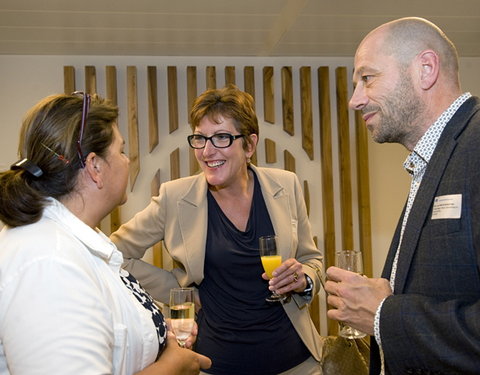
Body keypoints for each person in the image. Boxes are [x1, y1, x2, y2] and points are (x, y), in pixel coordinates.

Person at [111, 84, 324, 375]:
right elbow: (114, 255)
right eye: (200, 138)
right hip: (215, 364)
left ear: (249, 145)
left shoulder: (286, 186)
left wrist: (304, 279)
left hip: (297, 364)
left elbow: (313, 260)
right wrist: (179, 291)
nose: (207, 151)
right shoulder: (175, 197)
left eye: (222, 137)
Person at [0, 92, 211, 374]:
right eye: (121, 151)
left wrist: (157, 333)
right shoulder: (48, 262)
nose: (127, 161)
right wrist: (174, 367)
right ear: (95, 167)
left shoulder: (83, 243)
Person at [324, 17, 480, 374]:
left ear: (426, 69)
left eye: (367, 78)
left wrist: (384, 315)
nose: (354, 100)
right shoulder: (431, 159)